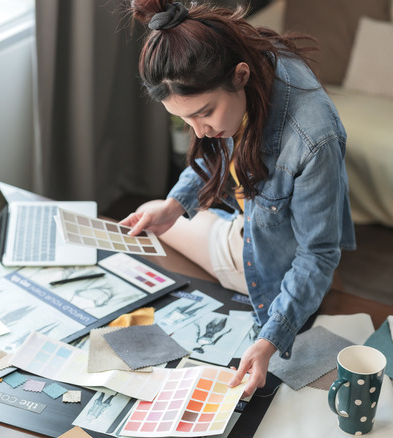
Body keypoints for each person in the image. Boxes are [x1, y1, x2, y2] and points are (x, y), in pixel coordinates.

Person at [120, 0, 356, 396]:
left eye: (204, 112)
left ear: (240, 76)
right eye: (185, 120)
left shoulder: (313, 137)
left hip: (278, 269)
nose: (197, 131)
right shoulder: (240, 62)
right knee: (153, 216)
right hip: (250, 231)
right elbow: (215, 153)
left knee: (151, 227)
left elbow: (318, 255)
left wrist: (270, 338)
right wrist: (176, 204)